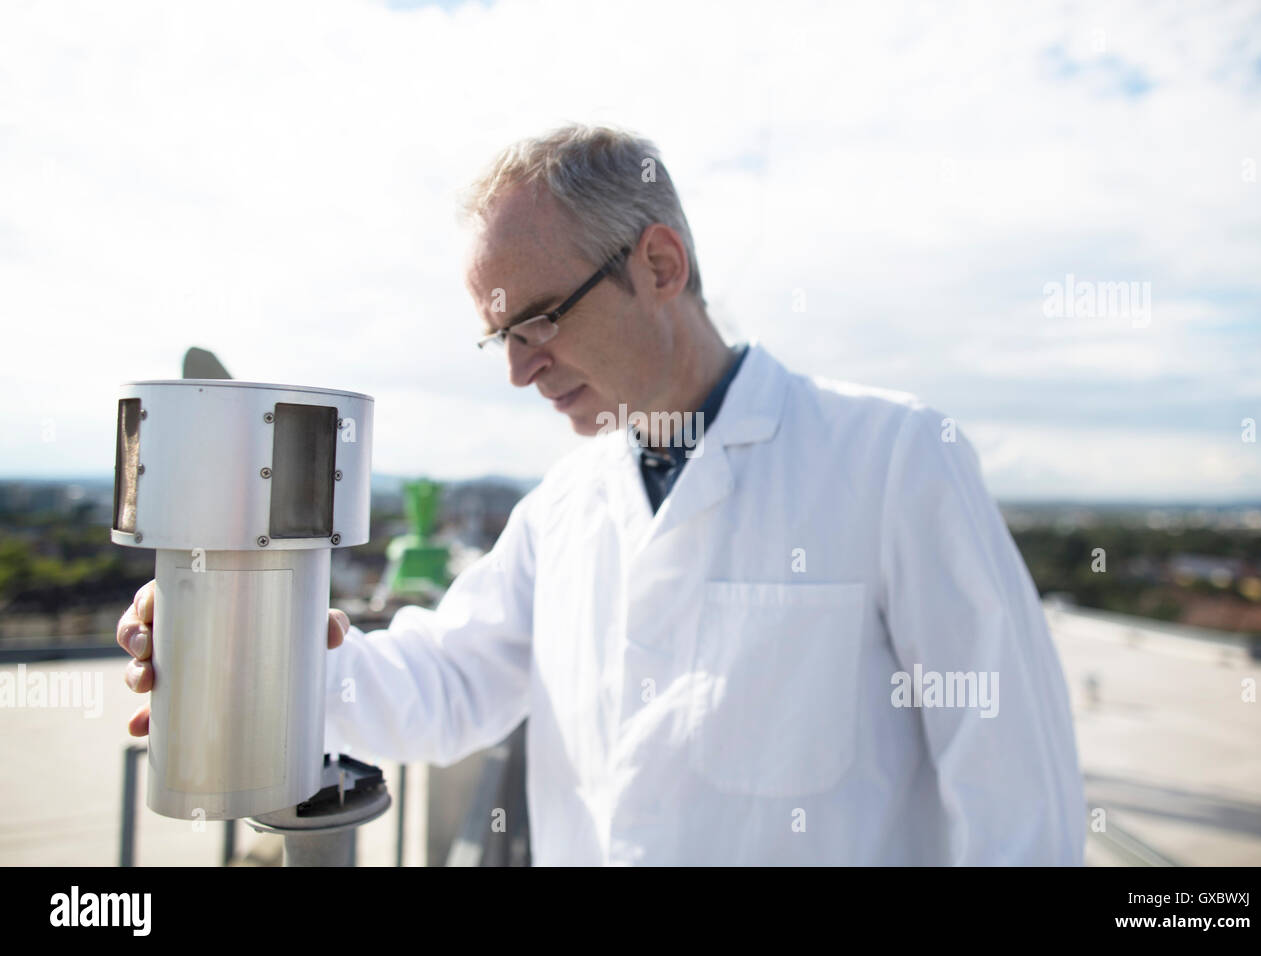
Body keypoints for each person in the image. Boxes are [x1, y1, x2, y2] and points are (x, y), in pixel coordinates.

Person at [116, 123, 1086, 865]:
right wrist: (251, 652)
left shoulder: (894, 460)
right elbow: (447, 683)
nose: (519, 371)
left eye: (536, 320)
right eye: (502, 337)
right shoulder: (563, 510)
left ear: (658, 265)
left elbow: (1018, 803)